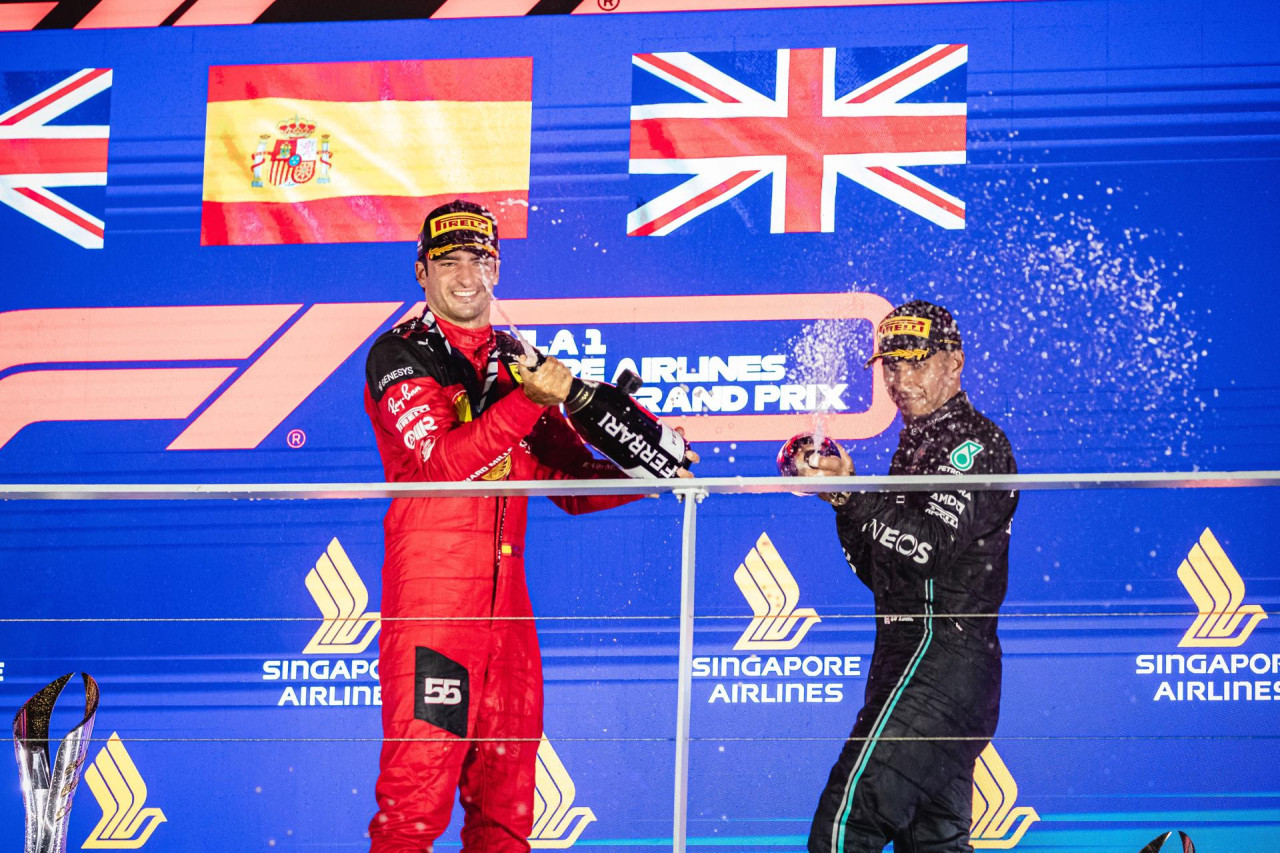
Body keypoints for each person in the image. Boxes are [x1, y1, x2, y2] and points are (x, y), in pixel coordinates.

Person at [362, 199, 693, 852]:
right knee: (414, 808)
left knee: (509, 812)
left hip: (510, 622)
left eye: (479, 260)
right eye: (448, 261)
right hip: (436, 614)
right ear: (421, 272)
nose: (465, 276)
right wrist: (526, 400)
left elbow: (566, 483)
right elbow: (439, 467)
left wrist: (652, 470)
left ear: (498, 268)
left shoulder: (517, 359)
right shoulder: (398, 354)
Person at [794, 300, 1018, 853]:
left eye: (916, 363)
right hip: (915, 661)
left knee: (845, 828)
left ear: (955, 363)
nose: (901, 379)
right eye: (890, 365)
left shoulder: (973, 444)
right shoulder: (915, 446)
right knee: (934, 848)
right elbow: (885, 573)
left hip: (939, 663)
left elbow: (927, 551)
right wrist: (843, 498)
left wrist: (851, 494)